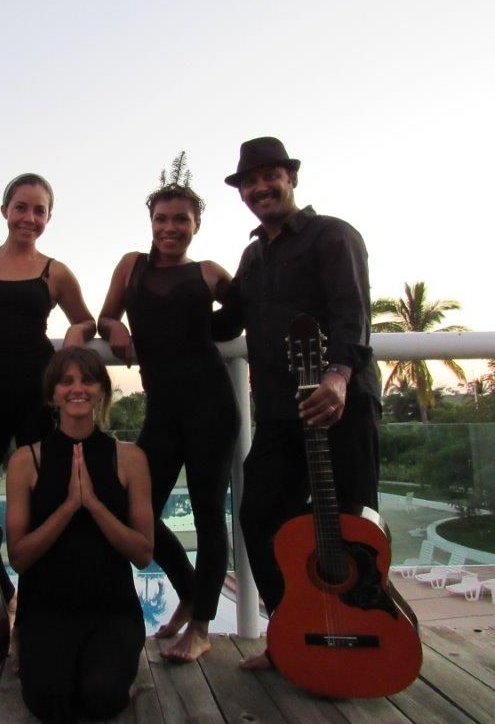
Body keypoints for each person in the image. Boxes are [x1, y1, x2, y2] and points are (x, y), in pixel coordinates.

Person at [213, 136, 381, 671]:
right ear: (242, 192)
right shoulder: (253, 256)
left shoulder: (333, 235)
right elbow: (227, 323)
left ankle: (361, 639)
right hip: (281, 411)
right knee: (260, 514)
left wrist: (338, 375)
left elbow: (352, 312)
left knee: (354, 526)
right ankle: (292, 633)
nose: (260, 187)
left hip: (341, 403)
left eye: (270, 176)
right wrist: (180, 291)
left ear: (291, 179)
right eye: (250, 181)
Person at [98, 175, 239, 663]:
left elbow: (241, 315)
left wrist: (203, 326)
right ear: (151, 222)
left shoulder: (209, 273)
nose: (170, 227)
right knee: (136, 510)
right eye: (162, 219)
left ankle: (200, 628)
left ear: (196, 225)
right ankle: (191, 593)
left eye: (182, 219)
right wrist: (114, 328)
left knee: (208, 513)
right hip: (162, 409)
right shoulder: (131, 266)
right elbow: (106, 315)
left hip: (211, 405)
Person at [0, 173, 95, 603]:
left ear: (49, 218)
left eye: (39, 210)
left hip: (37, 396)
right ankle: (1, 592)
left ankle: (41, 605)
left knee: (44, 501)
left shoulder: (55, 272)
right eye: (21, 207)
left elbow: (84, 319)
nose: (28, 218)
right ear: (4, 211)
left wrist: (74, 338)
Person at [6, 347, 153, 722]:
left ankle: (118, 670)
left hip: (111, 611)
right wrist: (69, 506)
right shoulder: (26, 461)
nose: (77, 389)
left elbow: (143, 553)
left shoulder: (130, 458)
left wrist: (95, 506)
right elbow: (19, 557)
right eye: (66, 381)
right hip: (47, 610)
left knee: (102, 697)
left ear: (101, 390)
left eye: (87, 380)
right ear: (52, 394)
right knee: (49, 701)